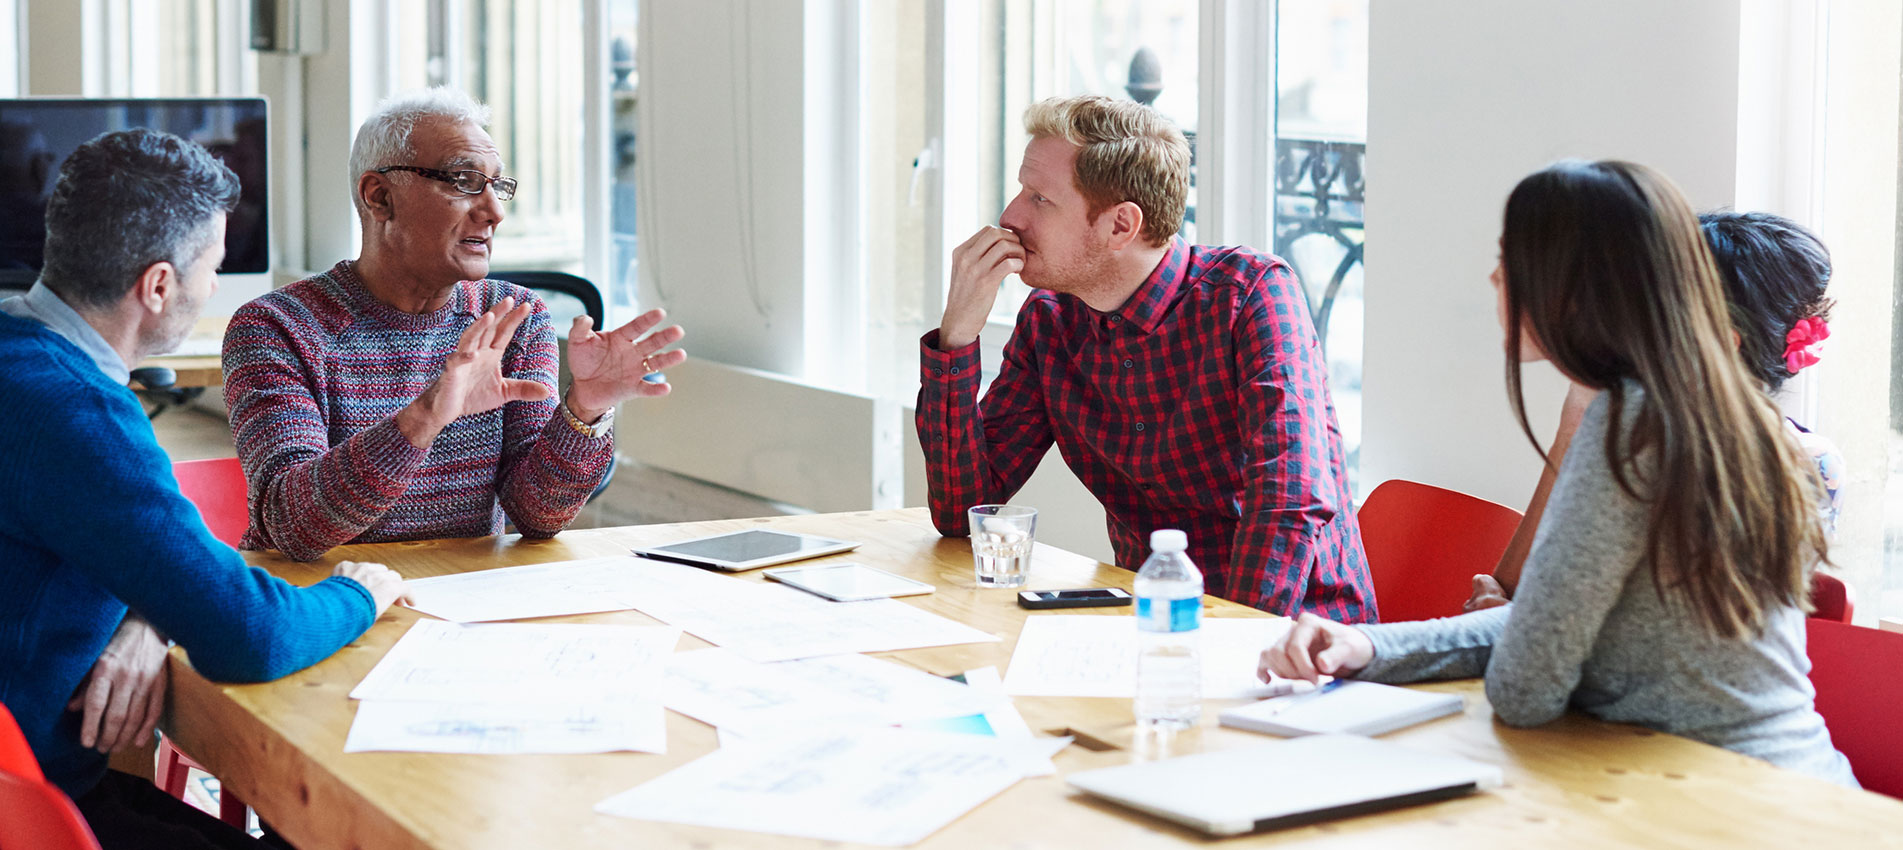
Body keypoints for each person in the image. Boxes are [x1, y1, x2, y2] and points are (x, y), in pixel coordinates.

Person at [1259, 160, 1855, 786]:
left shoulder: (1633, 419)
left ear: (1571, 291)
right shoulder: (1693, 407)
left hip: (1732, 794)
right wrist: (1370, 646)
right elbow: (1564, 627)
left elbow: (1526, 688)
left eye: (1512, 260)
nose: (1496, 277)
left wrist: (1530, 633)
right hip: (1747, 779)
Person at [0, 128, 410, 848]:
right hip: (34, 810)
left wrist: (146, 615)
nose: (215, 288)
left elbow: (107, 539)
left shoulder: (19, 356)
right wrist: (360, 594)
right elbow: (249, 634)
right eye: (211, 268)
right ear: (158, 286)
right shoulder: (79, 414)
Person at [916, 95, 1374, 620]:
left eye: (1040, 198)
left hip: (1293, 634)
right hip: (1150, 623)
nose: (1010, 216)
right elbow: (961, 511)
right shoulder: (1050, 321)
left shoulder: (1253, 295)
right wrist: (957, 336)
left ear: (1120, 226)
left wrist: (1228, 642)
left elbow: (1287, 503)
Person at [223, 88, 687, 561]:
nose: (495, 212)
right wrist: (425, 418)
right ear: (379, 197)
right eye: (464, 181)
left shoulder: (516, 317)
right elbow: (292, 527)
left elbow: (537, 515)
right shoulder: (274, 327)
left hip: (455, 592)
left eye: (497, 186)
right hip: (319, 594)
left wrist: (584, 410)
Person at [1466, 210, 1841, 611]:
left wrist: (1505, 621)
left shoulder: (1800, 463)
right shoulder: (1635, 431)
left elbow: (1693, 633)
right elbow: (1504, 592)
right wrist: (1572, 431)